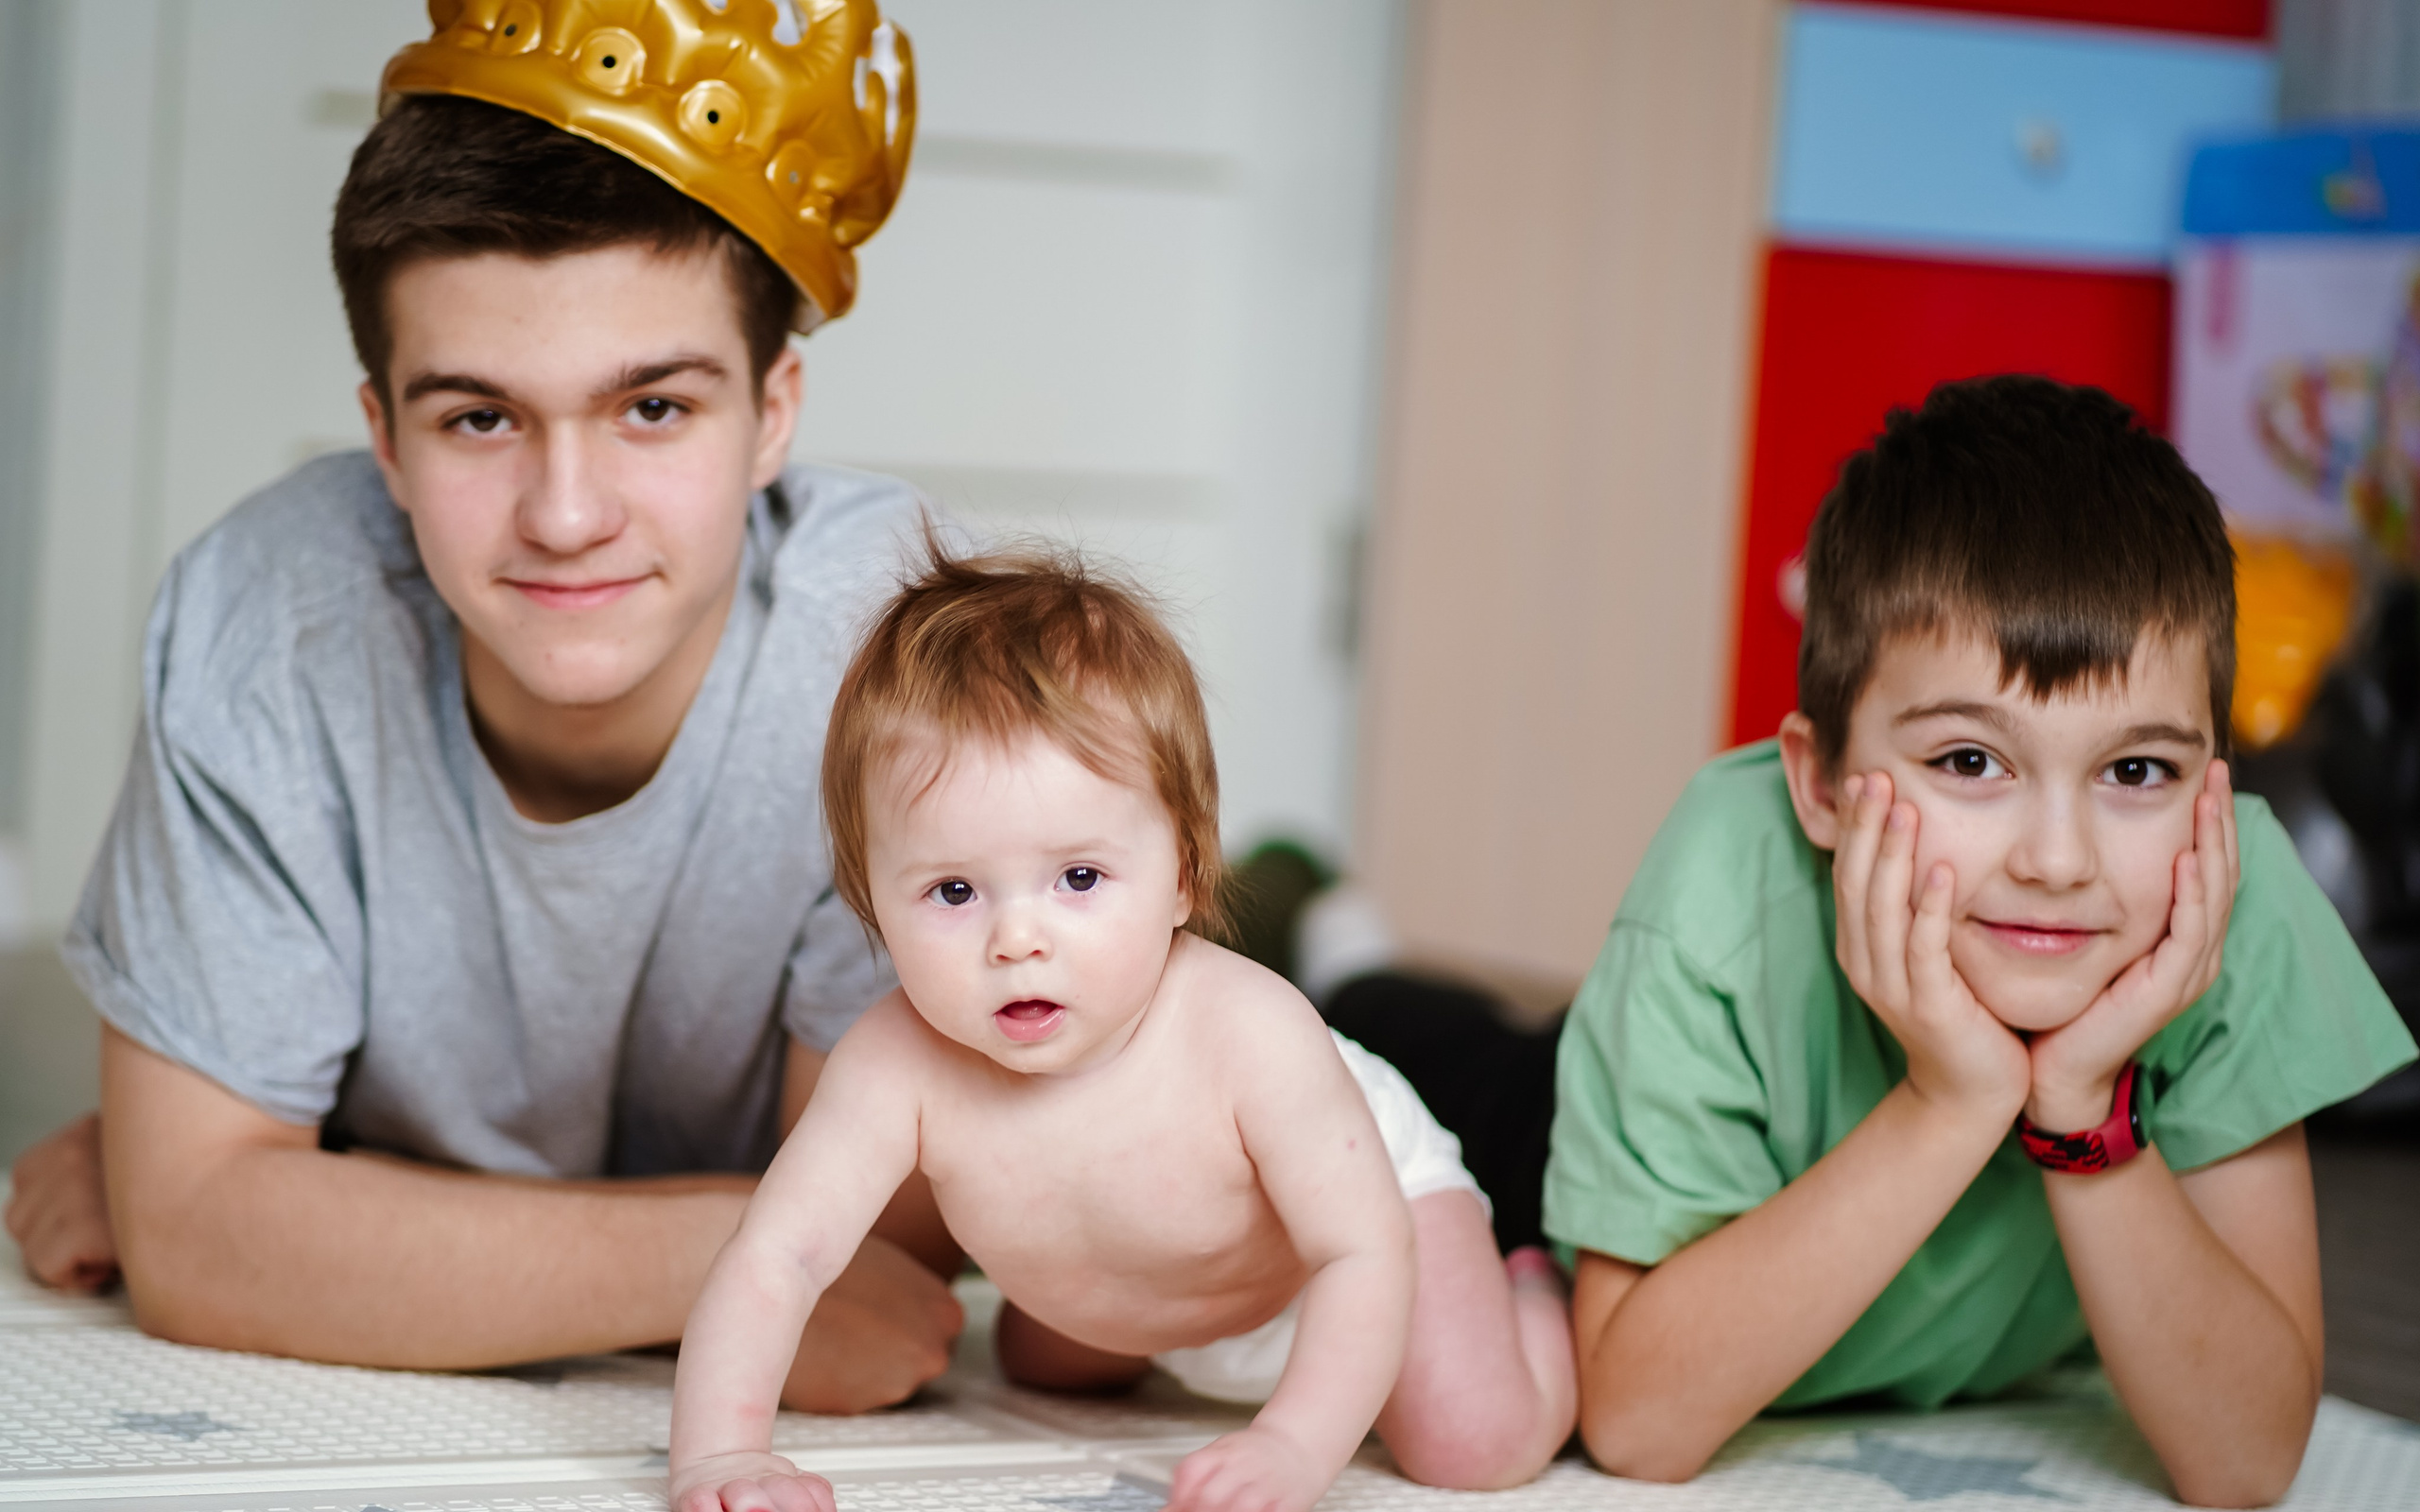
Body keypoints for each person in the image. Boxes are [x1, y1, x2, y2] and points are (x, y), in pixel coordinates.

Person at [2, 1, 968, 1412]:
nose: (567, 516)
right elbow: (206, 1245)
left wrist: (303, 1204)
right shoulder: (269, 622)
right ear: (383, 437)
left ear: (774, 410)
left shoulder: (897, 658)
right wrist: (733, 1247)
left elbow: (897, 1262)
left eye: (652, 409)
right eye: (478, 418)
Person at [1546, 377, 2419, 1504]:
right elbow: (1636, 1422)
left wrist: (2083, 1109)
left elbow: (2246, 1463)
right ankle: (1346, 942)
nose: (2056, 863)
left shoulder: (2224, 893)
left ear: (2210, 784)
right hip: (1541, 1113)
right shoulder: (1718, 890)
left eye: (2135, 770)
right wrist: (1947, 1101)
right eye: (1969, 761)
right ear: (1817, 783)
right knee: (1419, 1050)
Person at [666, 548, 1577, 1512]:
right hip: (1139, 1287)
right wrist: (720, 1454)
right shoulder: (893, 1063)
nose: (1018, 939)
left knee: (1475, 1437)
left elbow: (1361, 1251)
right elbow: (778, 1254)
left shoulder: (1249, 1031)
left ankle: (1535, 1296)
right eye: (953, 890)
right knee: (1044, 1365)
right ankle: (1119, 1321)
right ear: (871, 906)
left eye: (1080, 878)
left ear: (1184, 873)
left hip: (1356, 1235)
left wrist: (1292, 1447)